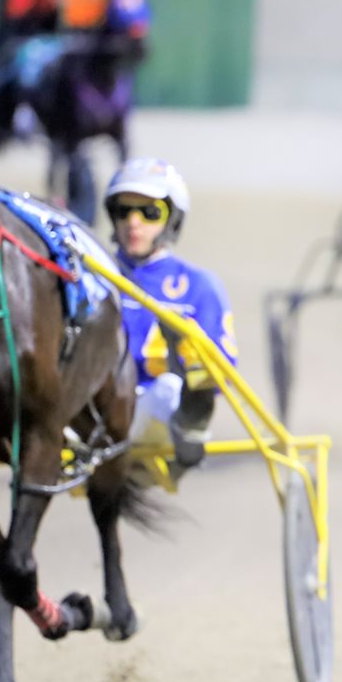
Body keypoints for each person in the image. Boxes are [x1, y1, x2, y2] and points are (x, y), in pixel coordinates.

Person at [105, 157, 238, 478]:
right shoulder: (94, 276)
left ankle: (192, 420)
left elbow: (225, 369)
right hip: (97, 408)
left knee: (169, 387)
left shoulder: (199, 286)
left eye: (150, 213)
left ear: (172, 219)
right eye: (124, 211)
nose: (133, 222)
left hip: (159, 411)